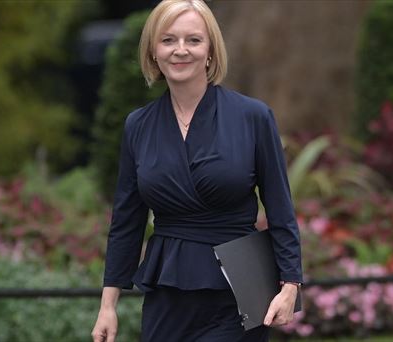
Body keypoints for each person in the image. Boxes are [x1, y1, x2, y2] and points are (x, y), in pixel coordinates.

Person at [91, 0, 303, 341]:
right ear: (153, 53)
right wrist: (107, 306)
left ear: (210, 51)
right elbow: (127, 221)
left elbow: (280, 208)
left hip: (239, 291)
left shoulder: (253, 117)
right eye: (168, 40)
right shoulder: (139, 126)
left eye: (193, 40)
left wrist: (290, 284)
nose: (180, 50)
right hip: (168, 291)